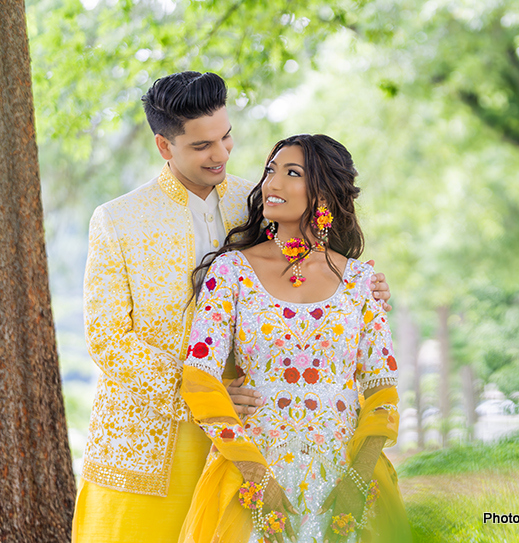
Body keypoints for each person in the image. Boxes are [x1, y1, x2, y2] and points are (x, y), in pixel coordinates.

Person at [72, 73, 391, 543]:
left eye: (225, 137)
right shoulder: (119, 220)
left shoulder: (258, 199)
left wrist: (368, 289)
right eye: (202, 146)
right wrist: (201, 390)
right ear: (164, 146)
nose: (220, 154)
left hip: (251, 439)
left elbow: (313, 265)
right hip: (146, 440)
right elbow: (107, 338)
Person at [178, 134, 411, 543]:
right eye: (270, 170)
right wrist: (256, 480)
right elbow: (199, 380)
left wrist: (357, 481)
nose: (272, 183)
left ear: (324, 192)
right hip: (251, 469)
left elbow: (382, 390)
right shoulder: (231, 272)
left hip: (344, 475)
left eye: (292, 173)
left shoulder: (360, 281)